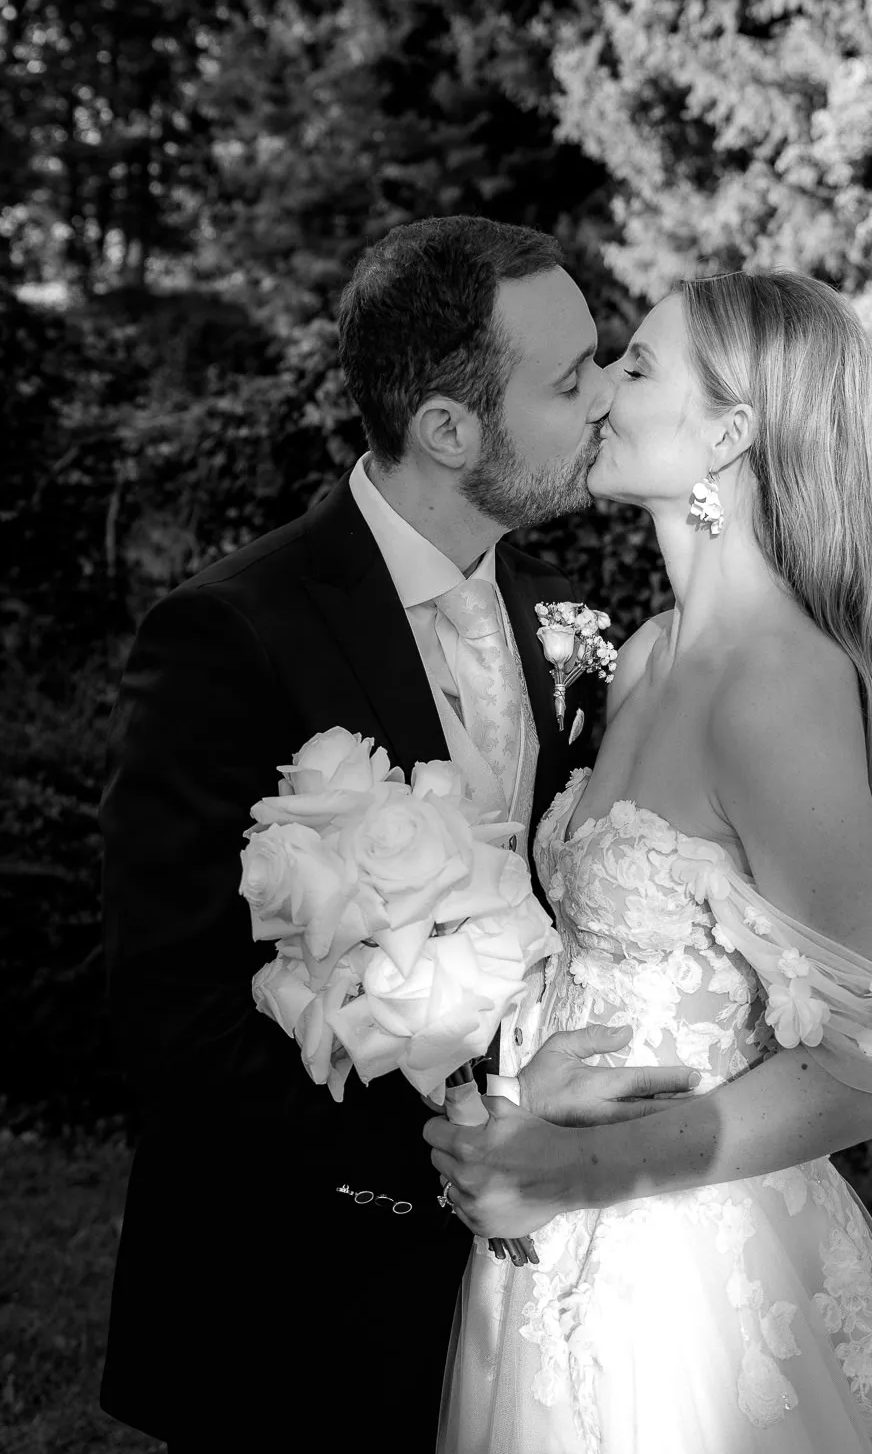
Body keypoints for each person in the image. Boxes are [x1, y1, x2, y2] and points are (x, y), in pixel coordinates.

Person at [99, 217, 696, 1454]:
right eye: (571, 375)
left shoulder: (544, 614)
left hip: (505, 1309)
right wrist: (448, 1159)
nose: (605, 400)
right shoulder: (231, 635)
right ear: (447, 430)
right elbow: (171, 1012)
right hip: (291, 1299)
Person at [432, 271, 872, 1453]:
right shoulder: (650, 657)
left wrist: (581, 1170)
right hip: (548, 1242)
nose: (602, 389)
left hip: (690, 1283)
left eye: (637, 365)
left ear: (729, 433)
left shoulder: (777, 684)